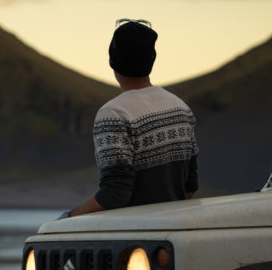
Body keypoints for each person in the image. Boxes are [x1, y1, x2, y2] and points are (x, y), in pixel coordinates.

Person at [63, 19, 198, 218]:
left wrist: (68, 218)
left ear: (113, 60)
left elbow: (115, 193)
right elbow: (190, 186)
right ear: (151, 59)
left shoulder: (113, 114)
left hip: (131, 236)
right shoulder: (180, 108)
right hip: (171, 233)